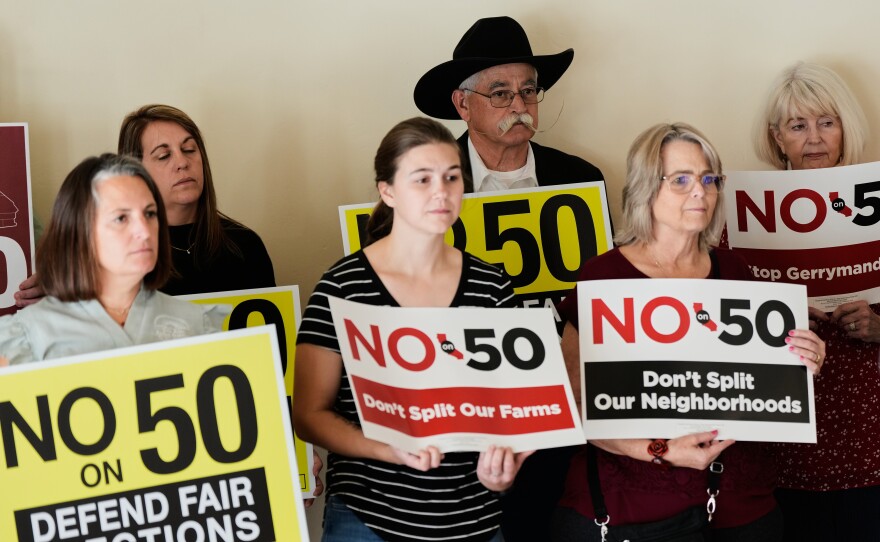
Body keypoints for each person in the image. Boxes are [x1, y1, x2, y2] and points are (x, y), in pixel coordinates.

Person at [552, 123, 825, 541]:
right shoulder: (603, 276)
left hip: (738, 505)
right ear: (646, 188)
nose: (700, 191)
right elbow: (575, 404)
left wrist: (802, 361)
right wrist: (660, 450)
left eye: (708, 179)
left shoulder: (733, 270)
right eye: (680, 180)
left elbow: (762, 389)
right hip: (634, 510)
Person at [293, 117, 531, 542]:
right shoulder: (342, 287)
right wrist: (387, 448)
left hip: (474, 520)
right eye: (422, 179)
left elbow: (516, 410)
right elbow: (308, 415)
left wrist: (502, 471)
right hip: (366, 520)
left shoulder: (492, 286)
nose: (441, 192)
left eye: (452, 177)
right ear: (388, 191)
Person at [754, 61, 880, 541]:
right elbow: (719, 317)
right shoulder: (745, 214)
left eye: (826, 122)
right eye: (797, 125)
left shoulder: (877, 203)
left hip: (869, 438)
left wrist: (879, 326)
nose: (814, 138)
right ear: (776, 137)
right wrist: (776, 317)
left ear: (845, 128)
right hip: (784, 440)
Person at [0, 153, 227, 365]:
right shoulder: (28, 335)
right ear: (80, 233)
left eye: (150, 214)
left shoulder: (196, 324)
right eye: (121, 218)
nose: (144, 231)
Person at [414, 16, 604, 192]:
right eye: (500, 94)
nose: (521, 107)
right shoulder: (423, 186)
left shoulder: (582, 180)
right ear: (463, 104)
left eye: (528, 91)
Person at [118, 104, 275, 295]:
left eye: (189, 149)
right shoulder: (118, 261)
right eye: (164, 156)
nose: (182, 163)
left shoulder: (246, 247)